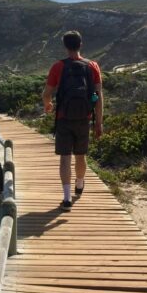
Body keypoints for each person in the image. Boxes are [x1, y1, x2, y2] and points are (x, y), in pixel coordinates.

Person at [43, 31, 103, 210]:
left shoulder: (57, 67)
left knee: (65, 157)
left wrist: (48, 105)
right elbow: (98, 96)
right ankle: (80, 183)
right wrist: (99, 122)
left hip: (64, 118)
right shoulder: (92, 66)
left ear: (65, 45)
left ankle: (67, 198)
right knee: (81, 155)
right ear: (80, 44)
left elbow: (47, 94)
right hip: (84, 118)